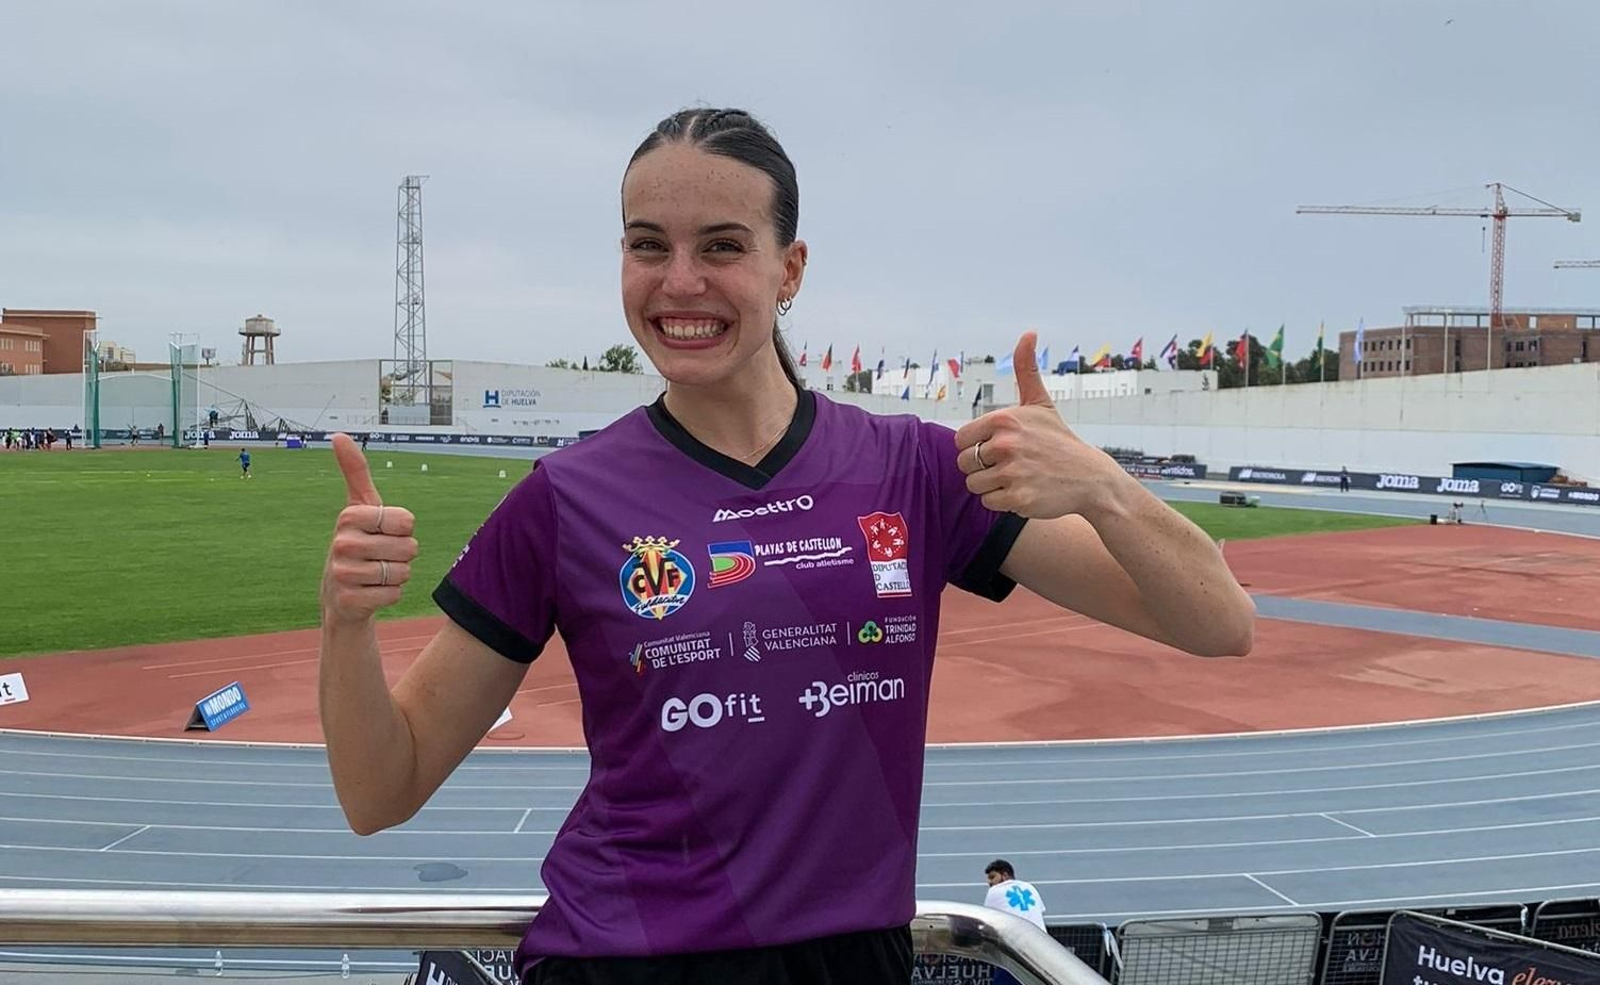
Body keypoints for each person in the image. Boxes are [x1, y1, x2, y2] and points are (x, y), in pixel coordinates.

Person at [318, 108, 1255, 985]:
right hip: (623, 959)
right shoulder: (563, 501)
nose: (679, 281)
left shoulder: (916, 469)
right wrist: (346, 622)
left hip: (853, 960)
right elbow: (380, 788)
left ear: (790, 268)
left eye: (721, 246)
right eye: (648, 245)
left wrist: (1103, 485)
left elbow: (1219, 625)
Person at [983, 859, 1047, 931]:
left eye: (992, 877)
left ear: (1005, 875)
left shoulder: (994, 891)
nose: (989, 882)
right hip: (1041, 938)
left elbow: (988, 920)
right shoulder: (1030, 887)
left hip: (1016, 940)